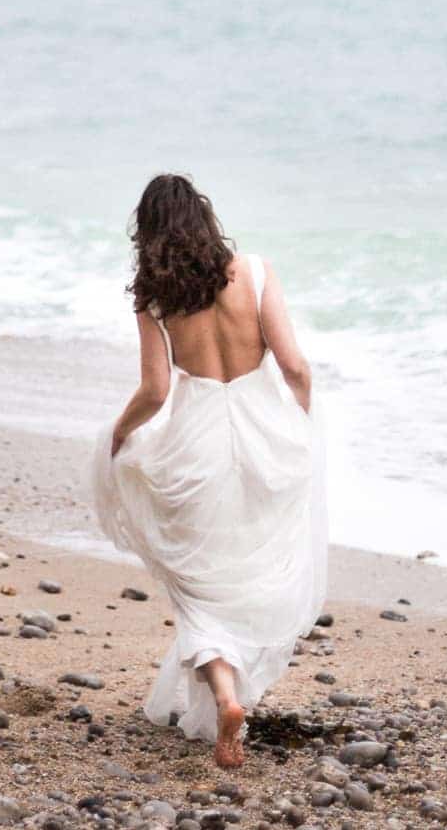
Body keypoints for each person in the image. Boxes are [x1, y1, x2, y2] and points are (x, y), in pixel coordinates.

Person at [91, 173, 327, 768]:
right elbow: (295, 366)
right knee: (247, 565)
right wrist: (297, 426)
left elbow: (154, 389)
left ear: (149, 231)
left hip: (193, 440)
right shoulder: (256, 272)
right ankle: (231, 693)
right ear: (203, 217)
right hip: (264, 432)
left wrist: (121, 433)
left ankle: (225, 693)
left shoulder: (153, 295)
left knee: (199, 585)